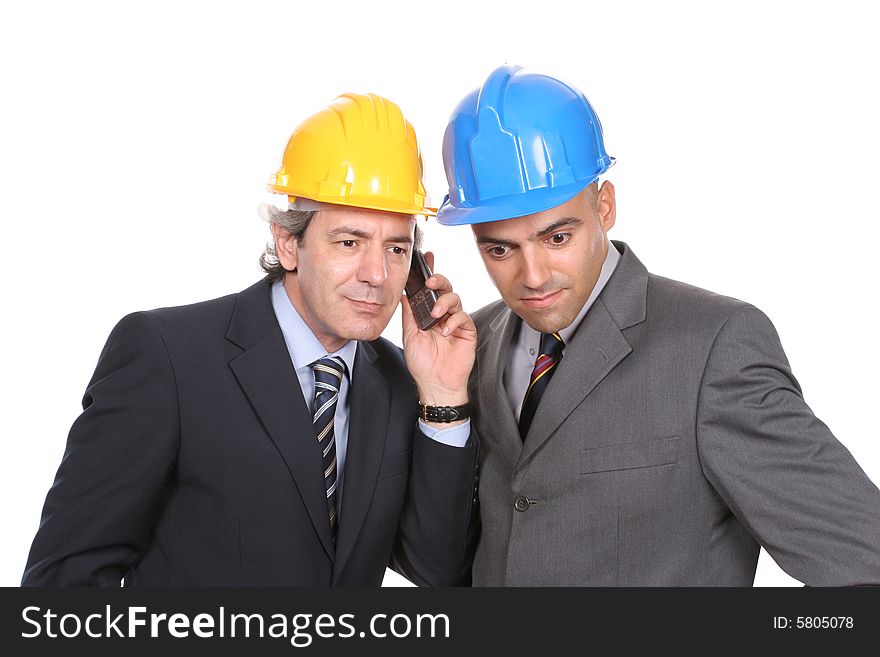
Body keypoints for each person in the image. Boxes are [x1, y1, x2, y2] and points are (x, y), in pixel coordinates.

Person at [436, 65, 880, 586]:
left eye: (557, 238)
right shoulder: (473, 347)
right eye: (499, 249)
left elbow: (862, 559)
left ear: (604, 207)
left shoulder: (714, 347)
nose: (532, 277)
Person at [23, 92, 478, 587]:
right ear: (289, 243)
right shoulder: (168, 355)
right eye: (349, 242)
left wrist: (444, 398)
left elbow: (437, 570)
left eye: (396, 247)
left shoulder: (402, 380)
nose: (376, 274)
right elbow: (66, 577)